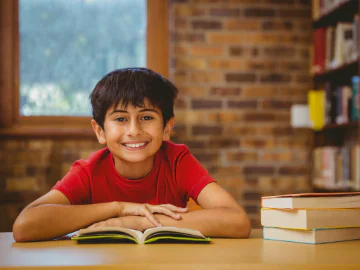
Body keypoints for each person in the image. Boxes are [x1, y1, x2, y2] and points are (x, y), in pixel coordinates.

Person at [13, 68, 251, 242]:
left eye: (147, 117)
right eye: (120, 119)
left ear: (167, 127)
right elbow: (25, 227)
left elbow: (237, 221)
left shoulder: (177, 161)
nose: (134, 130)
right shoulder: (89, 171)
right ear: (100, 131)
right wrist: (119, 208)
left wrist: (140, 222)